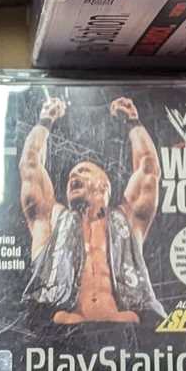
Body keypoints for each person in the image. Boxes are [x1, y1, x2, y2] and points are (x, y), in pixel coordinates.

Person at [19, 94, 165, 324]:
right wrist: (45, 120)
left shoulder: (126, 220)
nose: (74, 175)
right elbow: (30, 164)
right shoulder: (52, 219)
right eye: (71, 175)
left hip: (124, 331)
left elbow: (148, 168)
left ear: (104, 185)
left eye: (84, 171)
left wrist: (133, 121)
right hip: (63, 333)